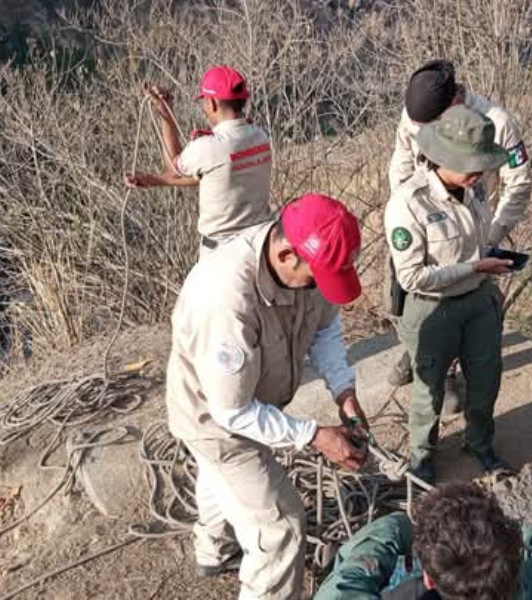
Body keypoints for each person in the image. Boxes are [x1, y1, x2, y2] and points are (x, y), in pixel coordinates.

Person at [166, 193, 370, 599]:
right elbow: (231, 411)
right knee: (280, 527)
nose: (317, 286)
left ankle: (213, 551)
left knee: (221, 479)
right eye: (315, 277)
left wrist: (344, 391)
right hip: (212, 418)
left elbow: (325, 329)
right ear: (285, 254)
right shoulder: (226, 299)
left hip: (247, 402)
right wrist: (314, 435)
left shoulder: (305, 265)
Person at [387, 59, 532, 397]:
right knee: (402, 292)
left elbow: (519, 184)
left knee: (460, 297)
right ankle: (417, 350)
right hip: (420, 216)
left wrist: (491, 236)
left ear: (454, 103)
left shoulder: (497, 123)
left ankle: (448, 372)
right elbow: (402, 162)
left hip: (470, 225)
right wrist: (404, 210)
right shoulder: (416, 116)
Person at [384, 105, 513, 484]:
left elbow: (476, 240)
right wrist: (473, 267)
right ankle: (422, 456)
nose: (479, 175)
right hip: (432, 310)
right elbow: (411, 277)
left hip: (478, 301)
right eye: (471, 166)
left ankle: (479, 442)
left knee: (486, 378)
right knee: (429, 389)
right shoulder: (410, 203)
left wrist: (489, 267)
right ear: (443, 158)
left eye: (482, 167)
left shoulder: (474, 190)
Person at [314, 482, 532, 599]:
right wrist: (522, 536)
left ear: (430, 579)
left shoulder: (422, 587)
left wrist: (396, 528)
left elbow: (342, 588)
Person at [124, 65, 272, 258]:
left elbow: (174, 167)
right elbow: (214, 175)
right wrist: (154, 180)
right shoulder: (260, 137)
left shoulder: (209, 146)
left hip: (221, 254)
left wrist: (166, 115)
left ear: (212, 103)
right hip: (259, 248)